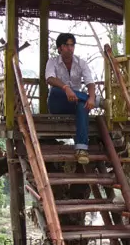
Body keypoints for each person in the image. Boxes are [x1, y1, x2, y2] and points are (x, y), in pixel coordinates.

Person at [45, 33, 105, 165]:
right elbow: (49, 78)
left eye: (72, 45)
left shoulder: (81, 63)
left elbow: (90, 82)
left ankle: (81, 149)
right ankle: (97, 101)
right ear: (60, 48)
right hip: (58, 103)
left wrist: (91, 97)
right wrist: (66, 88)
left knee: (83, 106)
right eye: (66, 45)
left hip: (75, 102)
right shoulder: (52, 62)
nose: (70, 48)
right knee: (56, 90)